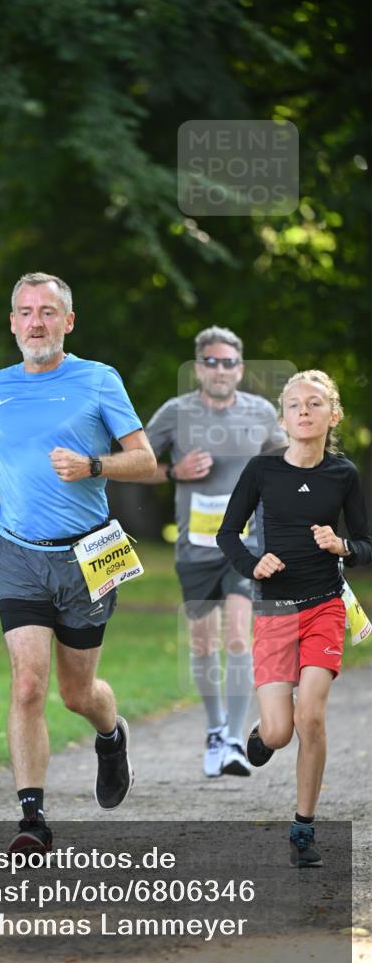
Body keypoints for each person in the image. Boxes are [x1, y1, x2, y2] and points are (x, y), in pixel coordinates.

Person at [0, 272, 156, 855]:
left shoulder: (98, 380)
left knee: (76, 693)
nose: (36, 322)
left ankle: (111, 738)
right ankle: (32, 818)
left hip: (89, 556)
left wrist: (92, 466)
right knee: (28, 682)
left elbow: (145, 460)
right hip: (17, 554)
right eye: (25, 312)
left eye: (48, 312)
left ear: (68, 321)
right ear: (12, 321)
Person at [217, 370, 371, 866]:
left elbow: (366, 543)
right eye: (294, 405)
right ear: (283, 417)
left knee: (312, 717)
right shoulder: (262, 471)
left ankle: (303, 828)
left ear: (333, 414)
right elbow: (227, 534)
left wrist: (342, 545)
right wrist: (252, 563)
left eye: (315, 403)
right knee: (281, 732)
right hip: (276, 608)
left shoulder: (343, 474)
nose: (304, 411)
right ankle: (264, 734)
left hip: (325, 604)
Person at [144, 327, 286, 778]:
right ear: (199, 367)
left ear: (240, 369)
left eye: (229, 363)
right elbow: (135, 463)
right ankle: (214, 730)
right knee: (204, 640)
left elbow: (286, 468)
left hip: (245, 545)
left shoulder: (262, 413)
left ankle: (234, 742)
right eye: (212, 362)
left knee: (240, 635)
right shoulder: (175, 413)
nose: (220, 370)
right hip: (196, 548)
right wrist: (173, 471)